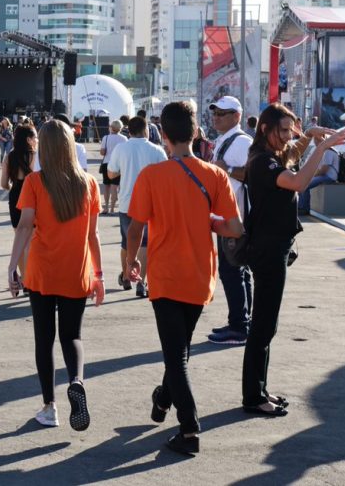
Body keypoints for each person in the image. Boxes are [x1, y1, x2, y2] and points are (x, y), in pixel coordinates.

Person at [126, 101, 243, 455]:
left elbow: (136, 229)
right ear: (195, 133)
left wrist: (130, 263)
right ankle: (163, 399)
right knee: (180, 349)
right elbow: (234, 228)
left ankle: (189, 428)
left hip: (165, 275)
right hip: (199, 276)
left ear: (163, 136)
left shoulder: (152, 176)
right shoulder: (215, 175)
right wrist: (209, 222)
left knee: (176, 354)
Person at [242, 103, 345, 416]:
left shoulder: (272, 155)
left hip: (274, 246)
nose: (289, 136)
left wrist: (311, 138)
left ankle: (258, 391)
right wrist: (322, 147)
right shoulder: (261, 161)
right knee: (262, 326)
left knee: (266, 325)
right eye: (284, 130)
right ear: (265, 128)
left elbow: (291, 156)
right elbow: (299, 181)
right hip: (267, 249)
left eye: (292, 130)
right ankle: (253, 397)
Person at [8, 119, 105, 431]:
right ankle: (76, 380)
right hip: (77, 271)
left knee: (44, 339)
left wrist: (12, 267)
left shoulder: (35, 183)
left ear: (45, 149)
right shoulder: (88, 183)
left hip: (42, 272)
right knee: (72, 336)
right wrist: (99, 275)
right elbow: (94, 235)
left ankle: (50, 407)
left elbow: (24, 226)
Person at [207, 96, 254, 346]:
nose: (216, 117)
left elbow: (253, 175)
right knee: (237, 270)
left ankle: (239, 326)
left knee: (231, 270)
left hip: (235, 217)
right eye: (215, 113)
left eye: (222, 114)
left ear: (236, 116)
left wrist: (227, 169)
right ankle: (242, 321)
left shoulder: (242, 142)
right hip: (228, 215)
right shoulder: (226, 140)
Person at [107, 116, 167, 298]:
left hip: (126, 202)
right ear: (146, 129)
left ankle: (126, 276)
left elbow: (110, 174)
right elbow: (166, 175)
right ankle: (141, 281)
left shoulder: (121, 148)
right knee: (145, 243)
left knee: (127, 241)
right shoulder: (157, 150)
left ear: (129, 131)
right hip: (150, 203)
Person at [1, 124, 38, 284]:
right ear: (29, 140)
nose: (37, 140)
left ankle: (24, 278)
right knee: (32, 240)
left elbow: (3, 183)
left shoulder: (9, 157)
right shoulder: (35, 156)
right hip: (33, 196)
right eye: (35, 137)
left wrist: (13, 187)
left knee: (20, 239)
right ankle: (32, 277)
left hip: (15, 195)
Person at [297, 129, 340, 214]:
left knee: (305, 185)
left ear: (324, 140)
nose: (316, 142)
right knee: (302, 184)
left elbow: (324, 170)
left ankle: (304, 208)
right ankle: (301, 207)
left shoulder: (328, 151)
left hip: (329, 176)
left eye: (318, 140)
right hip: (325, 175)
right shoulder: (324, 150)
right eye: (315, 140)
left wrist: (312, 176)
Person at [99, 120, 128, 214]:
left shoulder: (106, 138)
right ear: (121, 127)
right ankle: (112, 208)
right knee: (114, 187)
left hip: (106, 163)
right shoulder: (124, 138)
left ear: (111, 127)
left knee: (106, 186)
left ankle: (106, 207)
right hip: (118, 164)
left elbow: (102, 152)